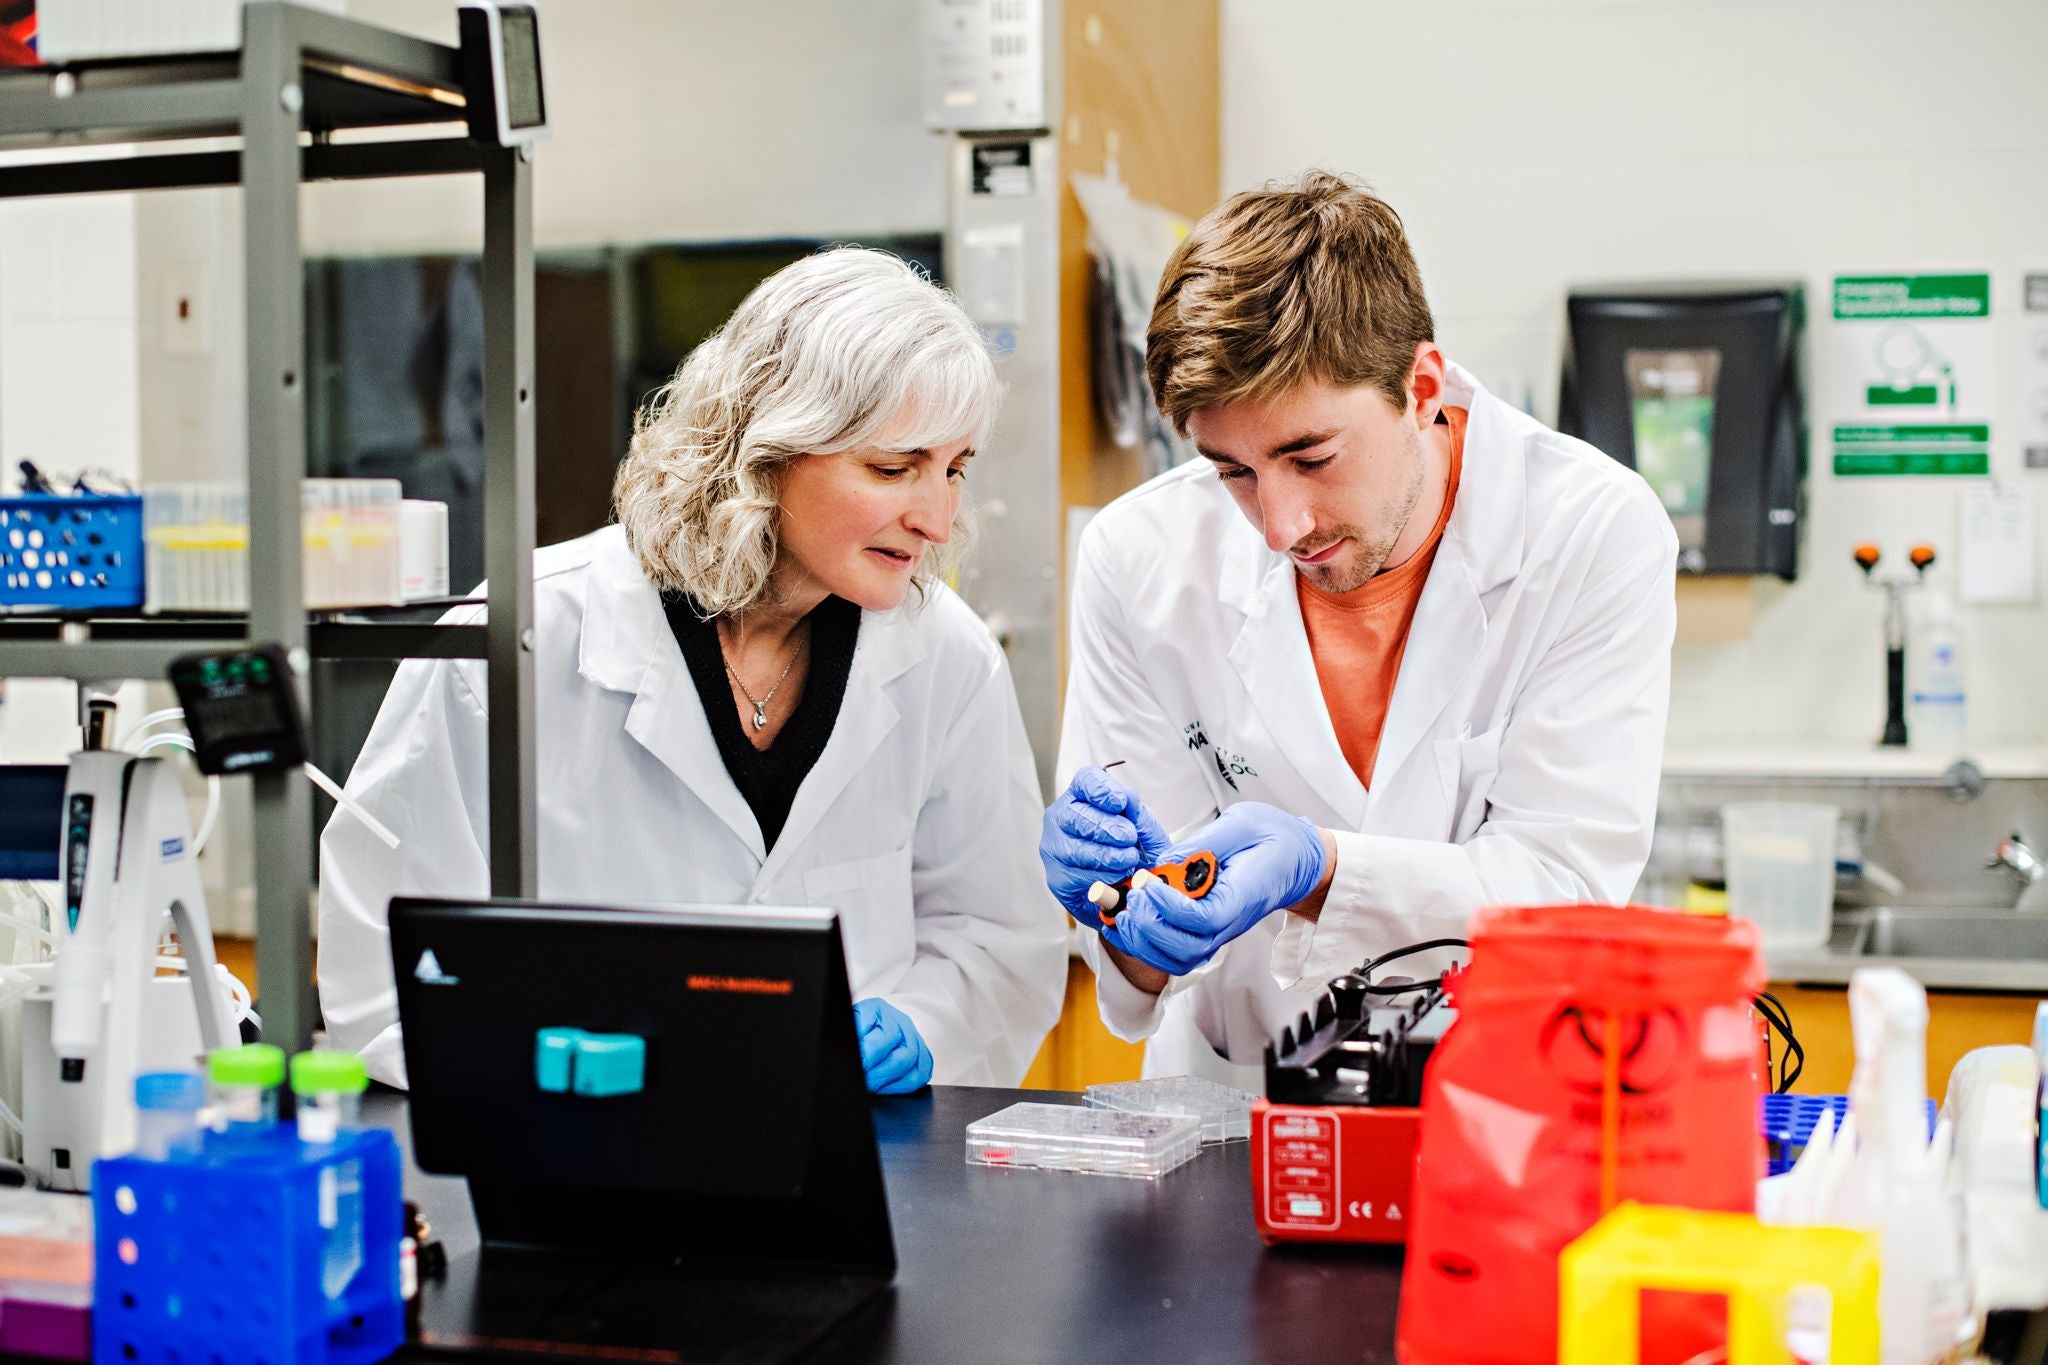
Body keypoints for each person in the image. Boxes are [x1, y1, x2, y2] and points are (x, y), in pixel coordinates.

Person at [321, 247, 1065, 1094]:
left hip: (854, 1169)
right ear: (769, 446)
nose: (937, 518)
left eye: (955, 469)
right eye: (894, 468)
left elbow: (998, 932)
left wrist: (928, 1026)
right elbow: (381, 961)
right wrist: (573, 1072)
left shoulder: (944, 658)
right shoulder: (524, 635)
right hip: (578, 1161)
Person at [1039, 173, 1678, 1083]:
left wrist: (1324, 871)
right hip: (1233, 1115)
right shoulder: (1138, 557)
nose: (1280, 525)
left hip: (1492, 1102)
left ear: (1421, 386)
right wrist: (1122, 912)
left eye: (1311, 457)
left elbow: (1564, 891)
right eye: (1233, 471)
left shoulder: (1590, 530)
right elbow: (1144, 971)